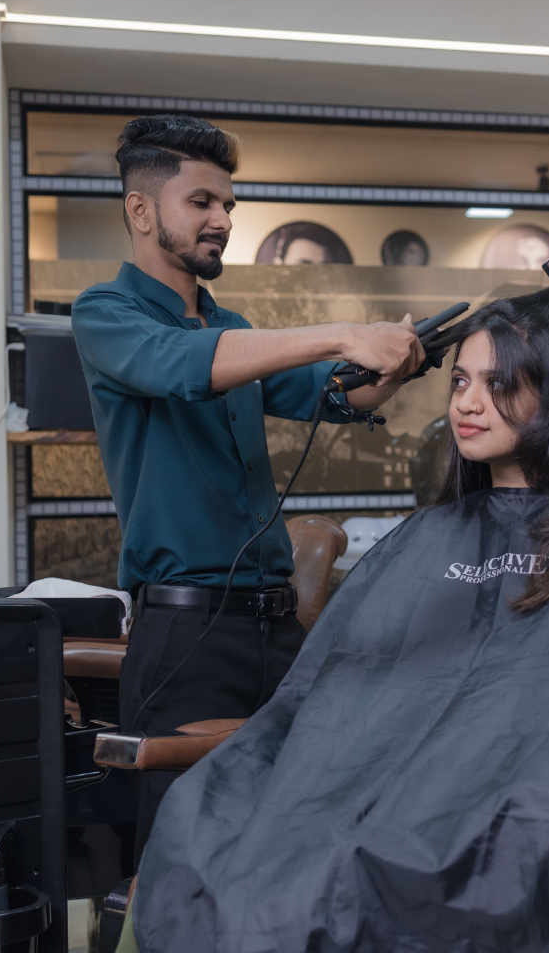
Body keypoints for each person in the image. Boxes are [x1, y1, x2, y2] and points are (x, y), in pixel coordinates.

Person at [129, 279, 549, 953]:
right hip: (391, 798)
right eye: (460, 382)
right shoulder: (427, 538)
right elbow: (335, 702)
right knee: (207, 821)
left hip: (524, 814)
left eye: (499, 383)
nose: (469, 404)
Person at [71, 114, 424, 865]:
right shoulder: (107, 315)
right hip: (185, 636)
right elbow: (182, 365)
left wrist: (398, 359)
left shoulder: (233, 325)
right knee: (186, 856)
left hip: (277, 629)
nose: (222, 221)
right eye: (202, 202)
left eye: (227, 205)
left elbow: (330, 394)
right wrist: (339, 334)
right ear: (141, 210)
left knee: (287, 842)